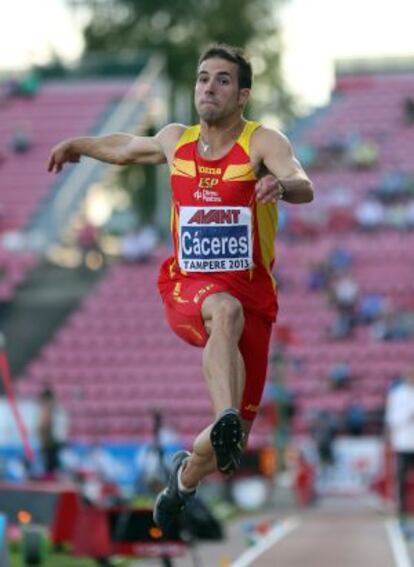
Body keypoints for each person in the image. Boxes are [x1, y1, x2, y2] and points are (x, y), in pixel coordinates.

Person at [47, 44, 314, 534]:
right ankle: (225, 414)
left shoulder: (261, 143)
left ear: (243, 94)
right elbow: (126, 147)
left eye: (222, 80)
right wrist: (79, 145)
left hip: (254, 297)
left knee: (229, 454)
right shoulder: (176, 141)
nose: (208, 87)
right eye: (202, 78)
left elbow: (300, 179)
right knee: (224, 311)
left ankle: (184, 478)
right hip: (188, 287)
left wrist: (281, 185)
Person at [385, 370, 414, 522]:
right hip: (403, 443)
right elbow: (393, 419)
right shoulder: (398, 395)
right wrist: (409, 413)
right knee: (401, 478)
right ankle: (402, 508)